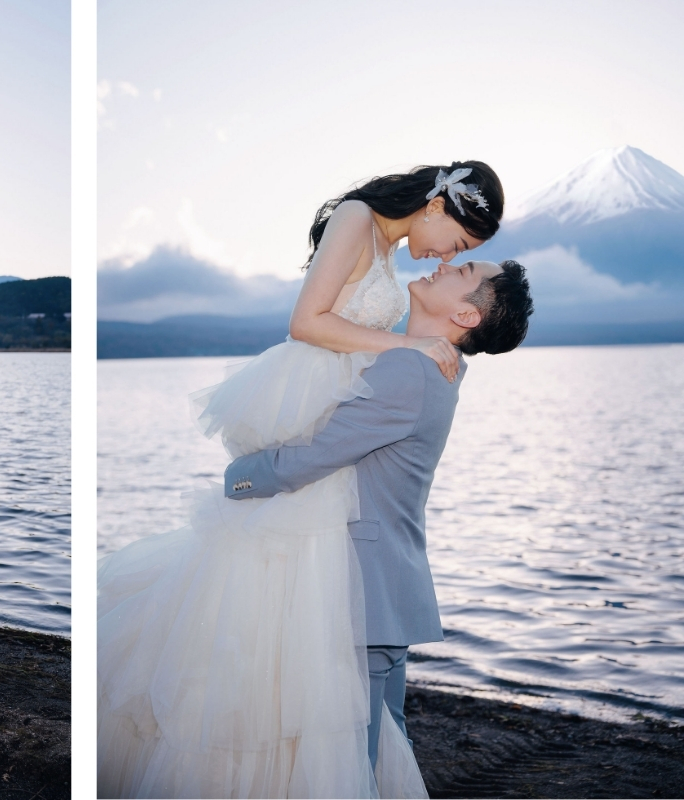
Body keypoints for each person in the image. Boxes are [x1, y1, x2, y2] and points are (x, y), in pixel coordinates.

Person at [97, 163, 523, 798]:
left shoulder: (417, 367)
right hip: (374, 566)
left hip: (358, 568)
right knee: (358, 734)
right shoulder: (405, 314)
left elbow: (316, 455)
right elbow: (311, 326)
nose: (439, 259)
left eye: (458, 262)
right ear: (438, 202)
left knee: (342, 735)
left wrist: (238, 482)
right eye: (458, 246)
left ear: (465, 313)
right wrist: (404, 344)